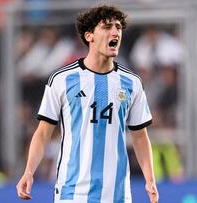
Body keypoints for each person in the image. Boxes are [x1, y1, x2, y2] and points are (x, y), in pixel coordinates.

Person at [16, 5, 159, 203]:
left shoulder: (131, 83)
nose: (115, 32)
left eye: (118, 27)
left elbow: (140, 136)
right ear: (89, 36)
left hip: (116, 194)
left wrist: (150, 179)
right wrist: (29, 171)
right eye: (107, 27)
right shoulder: (62, 79)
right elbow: (43, 132)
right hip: (72, 191)